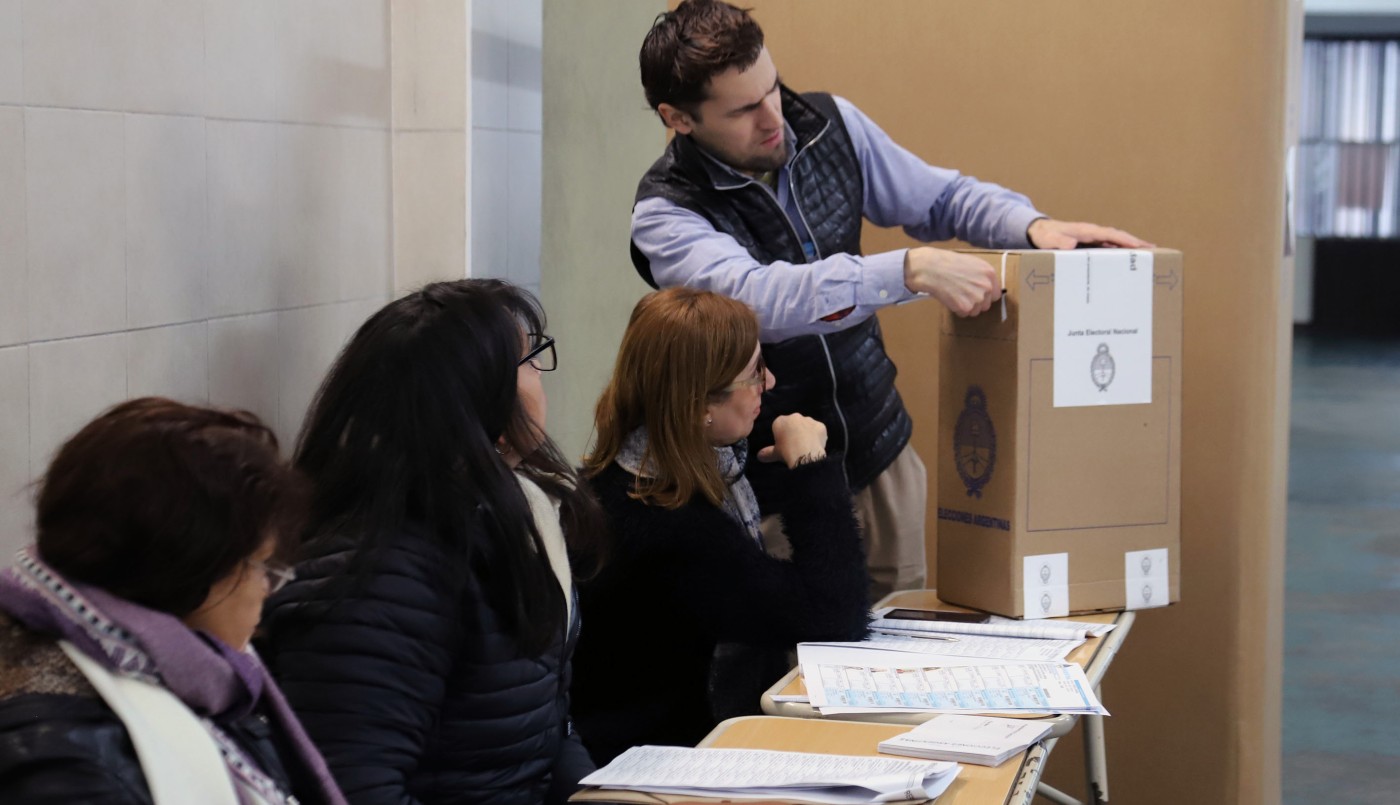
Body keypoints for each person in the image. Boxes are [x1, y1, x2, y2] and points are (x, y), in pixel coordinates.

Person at [629, 0, 1151, 601]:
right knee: (787, 664)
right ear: (679, 118)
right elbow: (756, 300)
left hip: (879, 451)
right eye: (744, 109)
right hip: (769, 476)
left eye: (772, 88)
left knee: (896, 647)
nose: (773, 116)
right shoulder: (666, 211)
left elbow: (938, 198)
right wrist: (909, 269)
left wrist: (1031, 226)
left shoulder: (830, 124)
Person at [258, 280, 602, 805]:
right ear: (479, 398)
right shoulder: (382, 574)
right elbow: (354, 788)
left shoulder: (515, 513)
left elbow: (548, 734)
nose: (541, 375)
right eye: (530, 360)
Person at [572, 287, 870, 764]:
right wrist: (812, 467)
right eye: (753, 374)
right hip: (659, 762)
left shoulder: (629, 472)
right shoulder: (671, 529)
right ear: (699, 405)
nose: (769, 383)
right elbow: (833, 618)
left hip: (669, 740)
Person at [0, 397, 345, 805]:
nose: (267, 589)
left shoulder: (197, 674)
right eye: (259, 567)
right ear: (191, 568)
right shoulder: (64, 761)